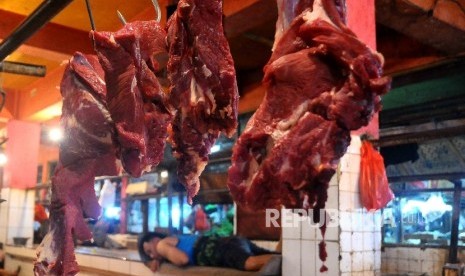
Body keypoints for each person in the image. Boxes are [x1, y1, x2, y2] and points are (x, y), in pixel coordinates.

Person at [138, 232, 282, 275]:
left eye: (149, 251)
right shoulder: (174, 238)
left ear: (155, 239)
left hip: (216, 249)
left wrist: (163, 257)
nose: (152, 255)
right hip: (230, 241)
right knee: (277, 254)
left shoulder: (162, 245)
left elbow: (182, 259)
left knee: (251, 263)